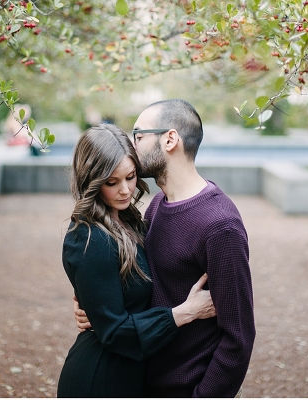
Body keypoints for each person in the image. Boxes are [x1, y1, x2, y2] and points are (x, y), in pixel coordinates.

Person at [75, 100, 256, 397]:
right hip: (138, 379)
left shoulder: (220, 225)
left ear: (169, 139)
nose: (130, 146)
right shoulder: (157, 206)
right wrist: (92, 306)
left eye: (139, 135)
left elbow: (239, 337)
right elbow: (139, 282)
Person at [57, 124, 217, 398]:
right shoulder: (88, 239)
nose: (125, 190)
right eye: (111, 182)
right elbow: (115, 332)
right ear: (90, 180)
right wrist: (186, 312)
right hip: (100, 378)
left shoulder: (131, 221)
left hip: (133, 374)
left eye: (130, 177)